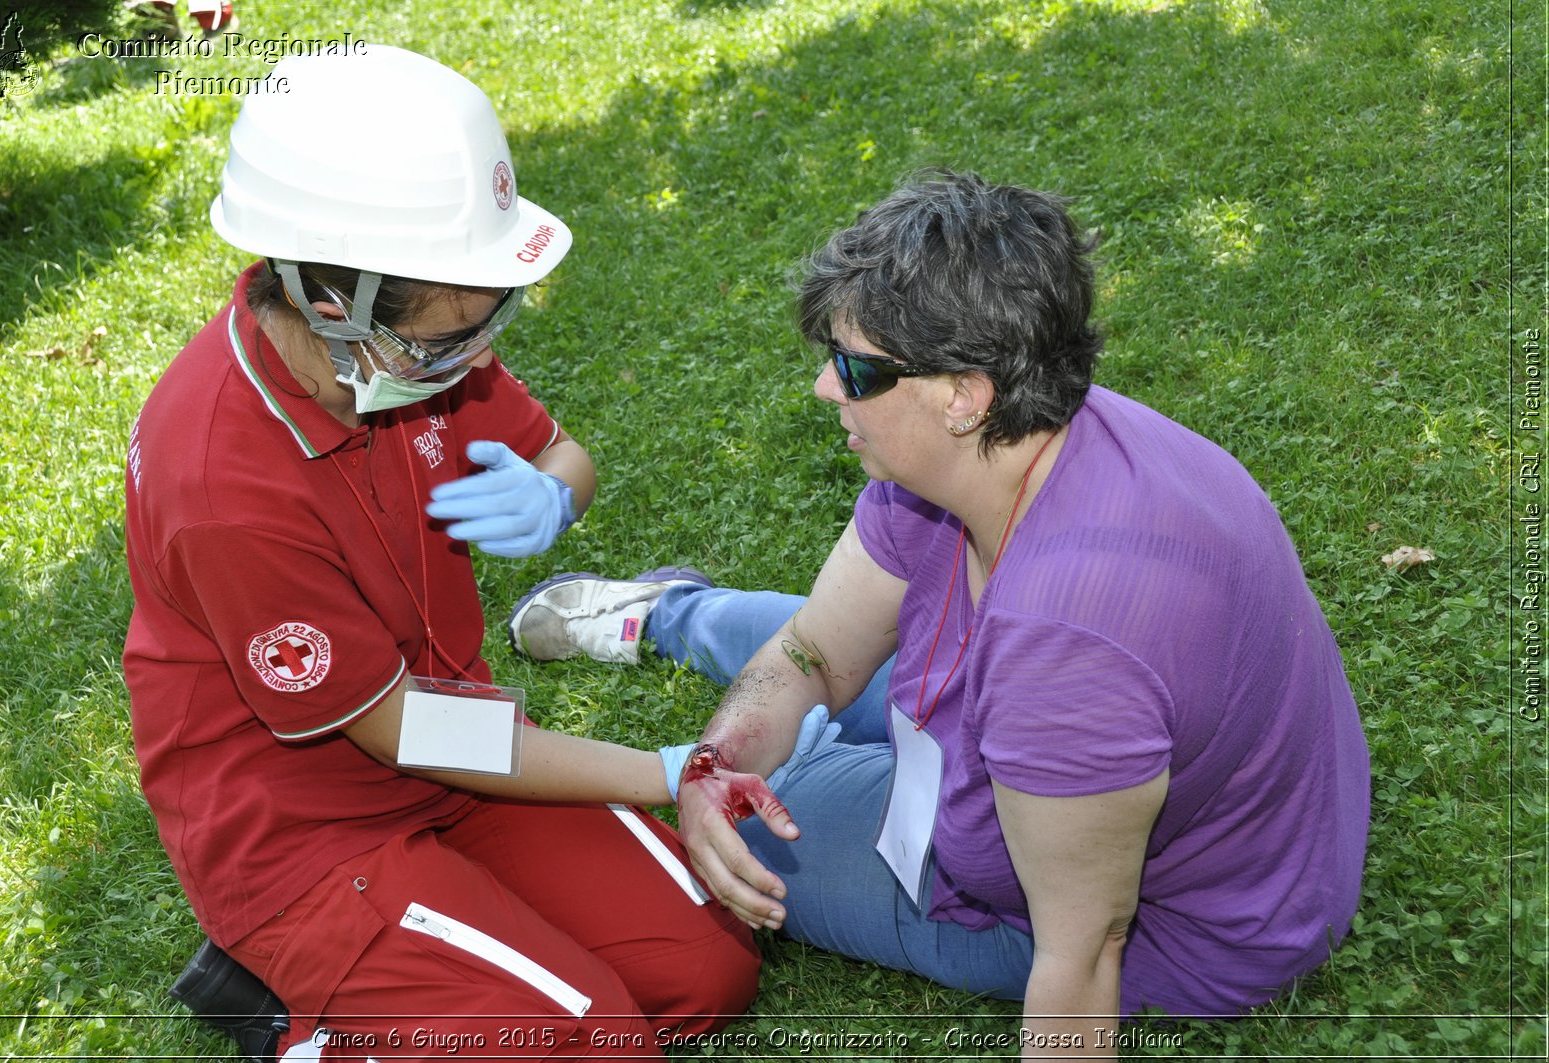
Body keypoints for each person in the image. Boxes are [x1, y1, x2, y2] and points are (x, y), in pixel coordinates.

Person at [509, 172, 1372, 1057]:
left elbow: (1085, 948)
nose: (822, 387)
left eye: (854, 368)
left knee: (756, 826)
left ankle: (690, 721)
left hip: (1177, 916)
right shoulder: (993, 455)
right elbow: (815, 648)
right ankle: (669, 612)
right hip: (1081, 743)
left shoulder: (1066, 659)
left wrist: (698, 789)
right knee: (799, 671)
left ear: (965, 392)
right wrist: (710, 760)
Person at [122, 45, 772, 1062]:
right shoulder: (225, 487)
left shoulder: (408, 345)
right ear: (331, 298)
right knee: (595, 1042)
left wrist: (556, 491)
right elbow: (408, 732)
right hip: (306, 831)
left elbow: (558, 450)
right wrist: (661, 766)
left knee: (711, 970)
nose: (471, 360)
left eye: (487, 323)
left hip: (452, 751)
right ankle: (299, 1026)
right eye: (447, 340)